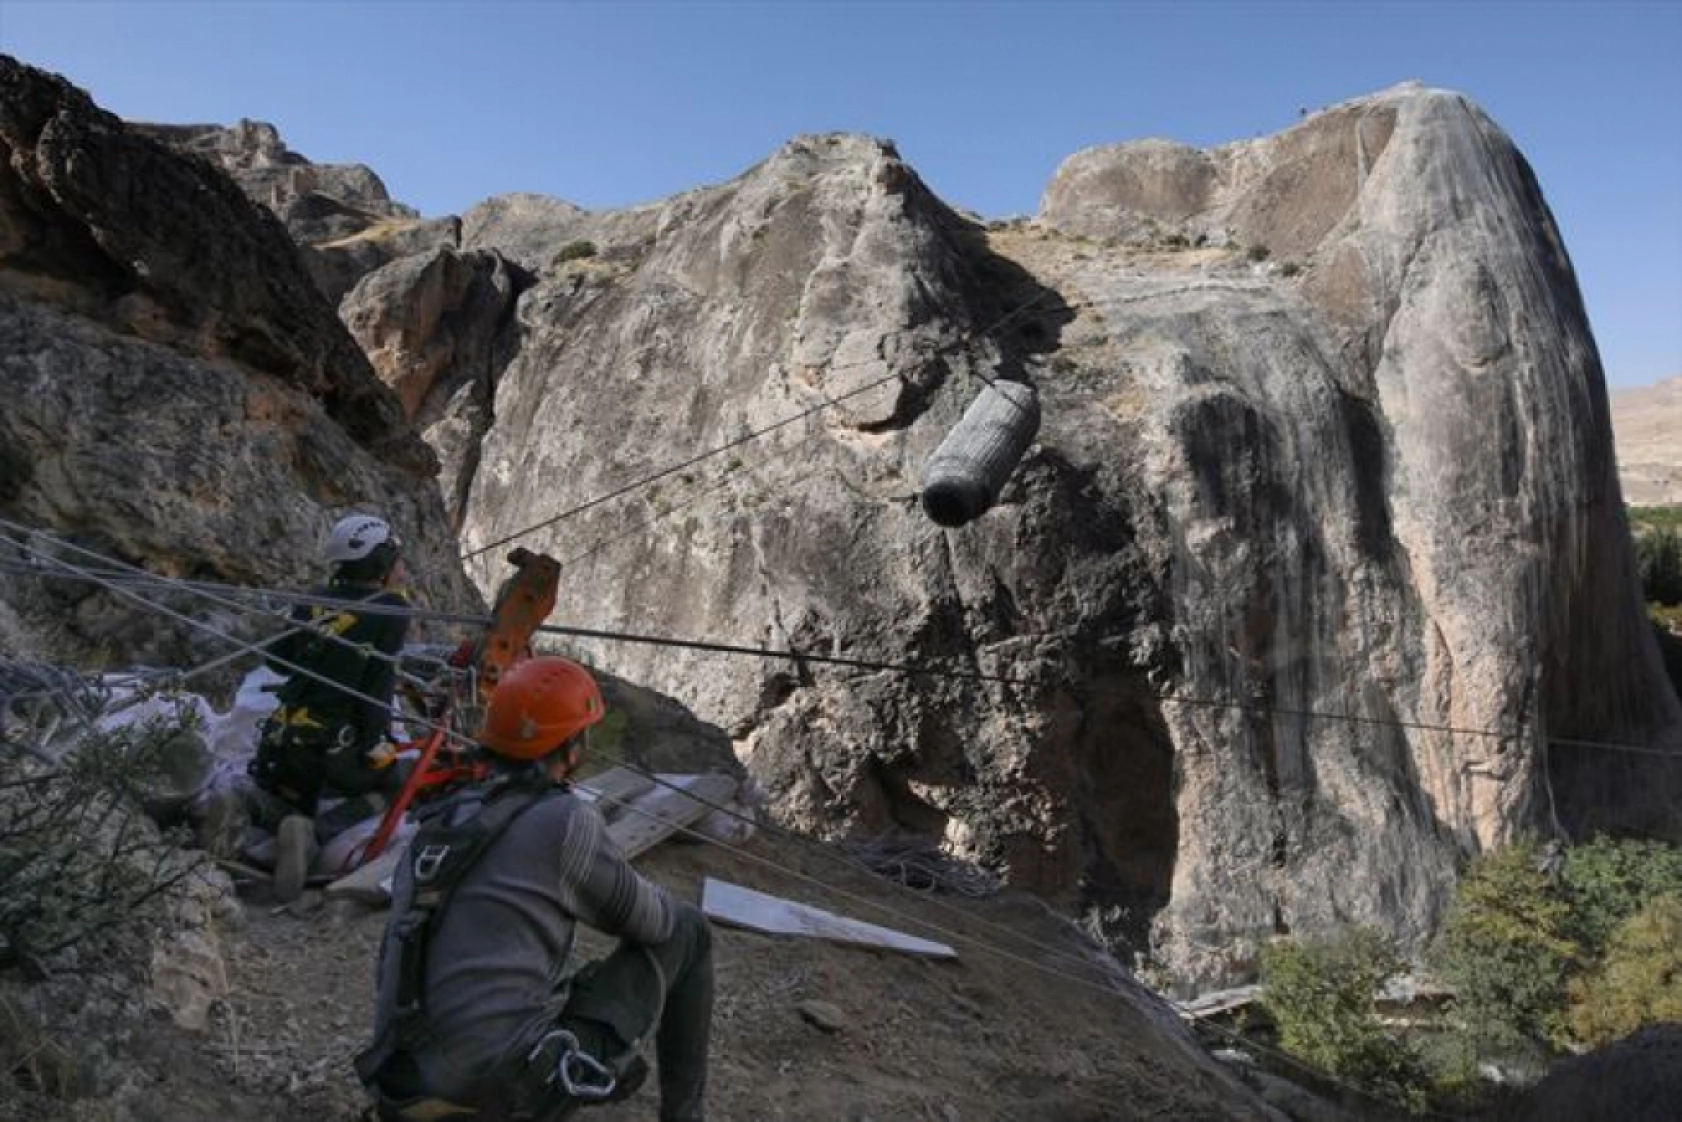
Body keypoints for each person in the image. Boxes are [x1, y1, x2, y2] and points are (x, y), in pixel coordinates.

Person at [357, 656, 713, 1122]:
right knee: (689, 929)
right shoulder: (562, 820)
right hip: (492, 1091)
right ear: (571, 748)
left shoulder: (449, 815)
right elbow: (654, 921)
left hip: (401, 1085)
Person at [202, 512, 412, 900]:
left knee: (283, 788)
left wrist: (318, 636)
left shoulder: (314, 599)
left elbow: (279, 660)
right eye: (397, 560)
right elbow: (376, 692)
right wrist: (374, 743)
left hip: (282, 739)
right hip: (333, 752)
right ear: (381, 564)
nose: (402, 568)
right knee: (398, 779)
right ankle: (313, 834)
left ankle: (244, 804)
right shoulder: (392, 611)